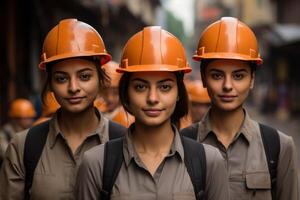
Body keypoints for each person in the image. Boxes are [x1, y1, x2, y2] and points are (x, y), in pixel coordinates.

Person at [75, 26, 229, 200]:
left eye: (165, 87)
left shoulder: (208, 162)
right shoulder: (96, 164)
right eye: (140, 87)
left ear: (178, 93)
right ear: (126, 94)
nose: (153, 98)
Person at [0, 18, 126, 200]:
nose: (73, 87)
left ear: (100, 80)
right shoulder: (24, 147)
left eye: (84, 76)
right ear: (50, 84)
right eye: (61, 78)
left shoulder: (126, 143)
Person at [181, 17, 299, 199]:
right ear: (204, 78)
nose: (228, 86)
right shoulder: (180, 144)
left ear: (252, 79)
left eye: (238, 76)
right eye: (217, 75)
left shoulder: (279, 147)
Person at [0, 98, 37, 165]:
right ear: (16, 118)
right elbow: (7, 155)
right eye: (26, 118)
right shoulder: (4, 133)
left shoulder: (33, 130)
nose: (30, 121)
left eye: (31, 117)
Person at [100, 61, 135, 127]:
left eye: (115, 93)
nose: (110, 98)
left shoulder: (127, 119)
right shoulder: (98, 108)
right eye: (104, 92)